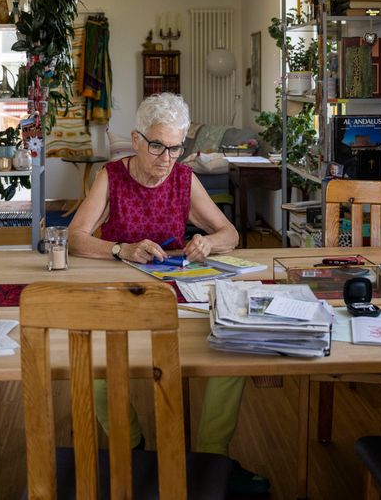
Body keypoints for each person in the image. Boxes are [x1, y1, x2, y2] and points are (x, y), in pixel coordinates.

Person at [67, 93, 270, 495]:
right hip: (122, 293)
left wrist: (208, 243)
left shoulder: (183, 178)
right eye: (157, 146)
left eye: (175, 148)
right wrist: (121, 249)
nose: (166, 158)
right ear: (136, 139)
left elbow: (229, 233)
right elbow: (75, 236)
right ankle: (132, 445)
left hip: (178, 293)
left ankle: (211, 457)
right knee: (94, 367)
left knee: (233, 349)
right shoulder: (113, 176)